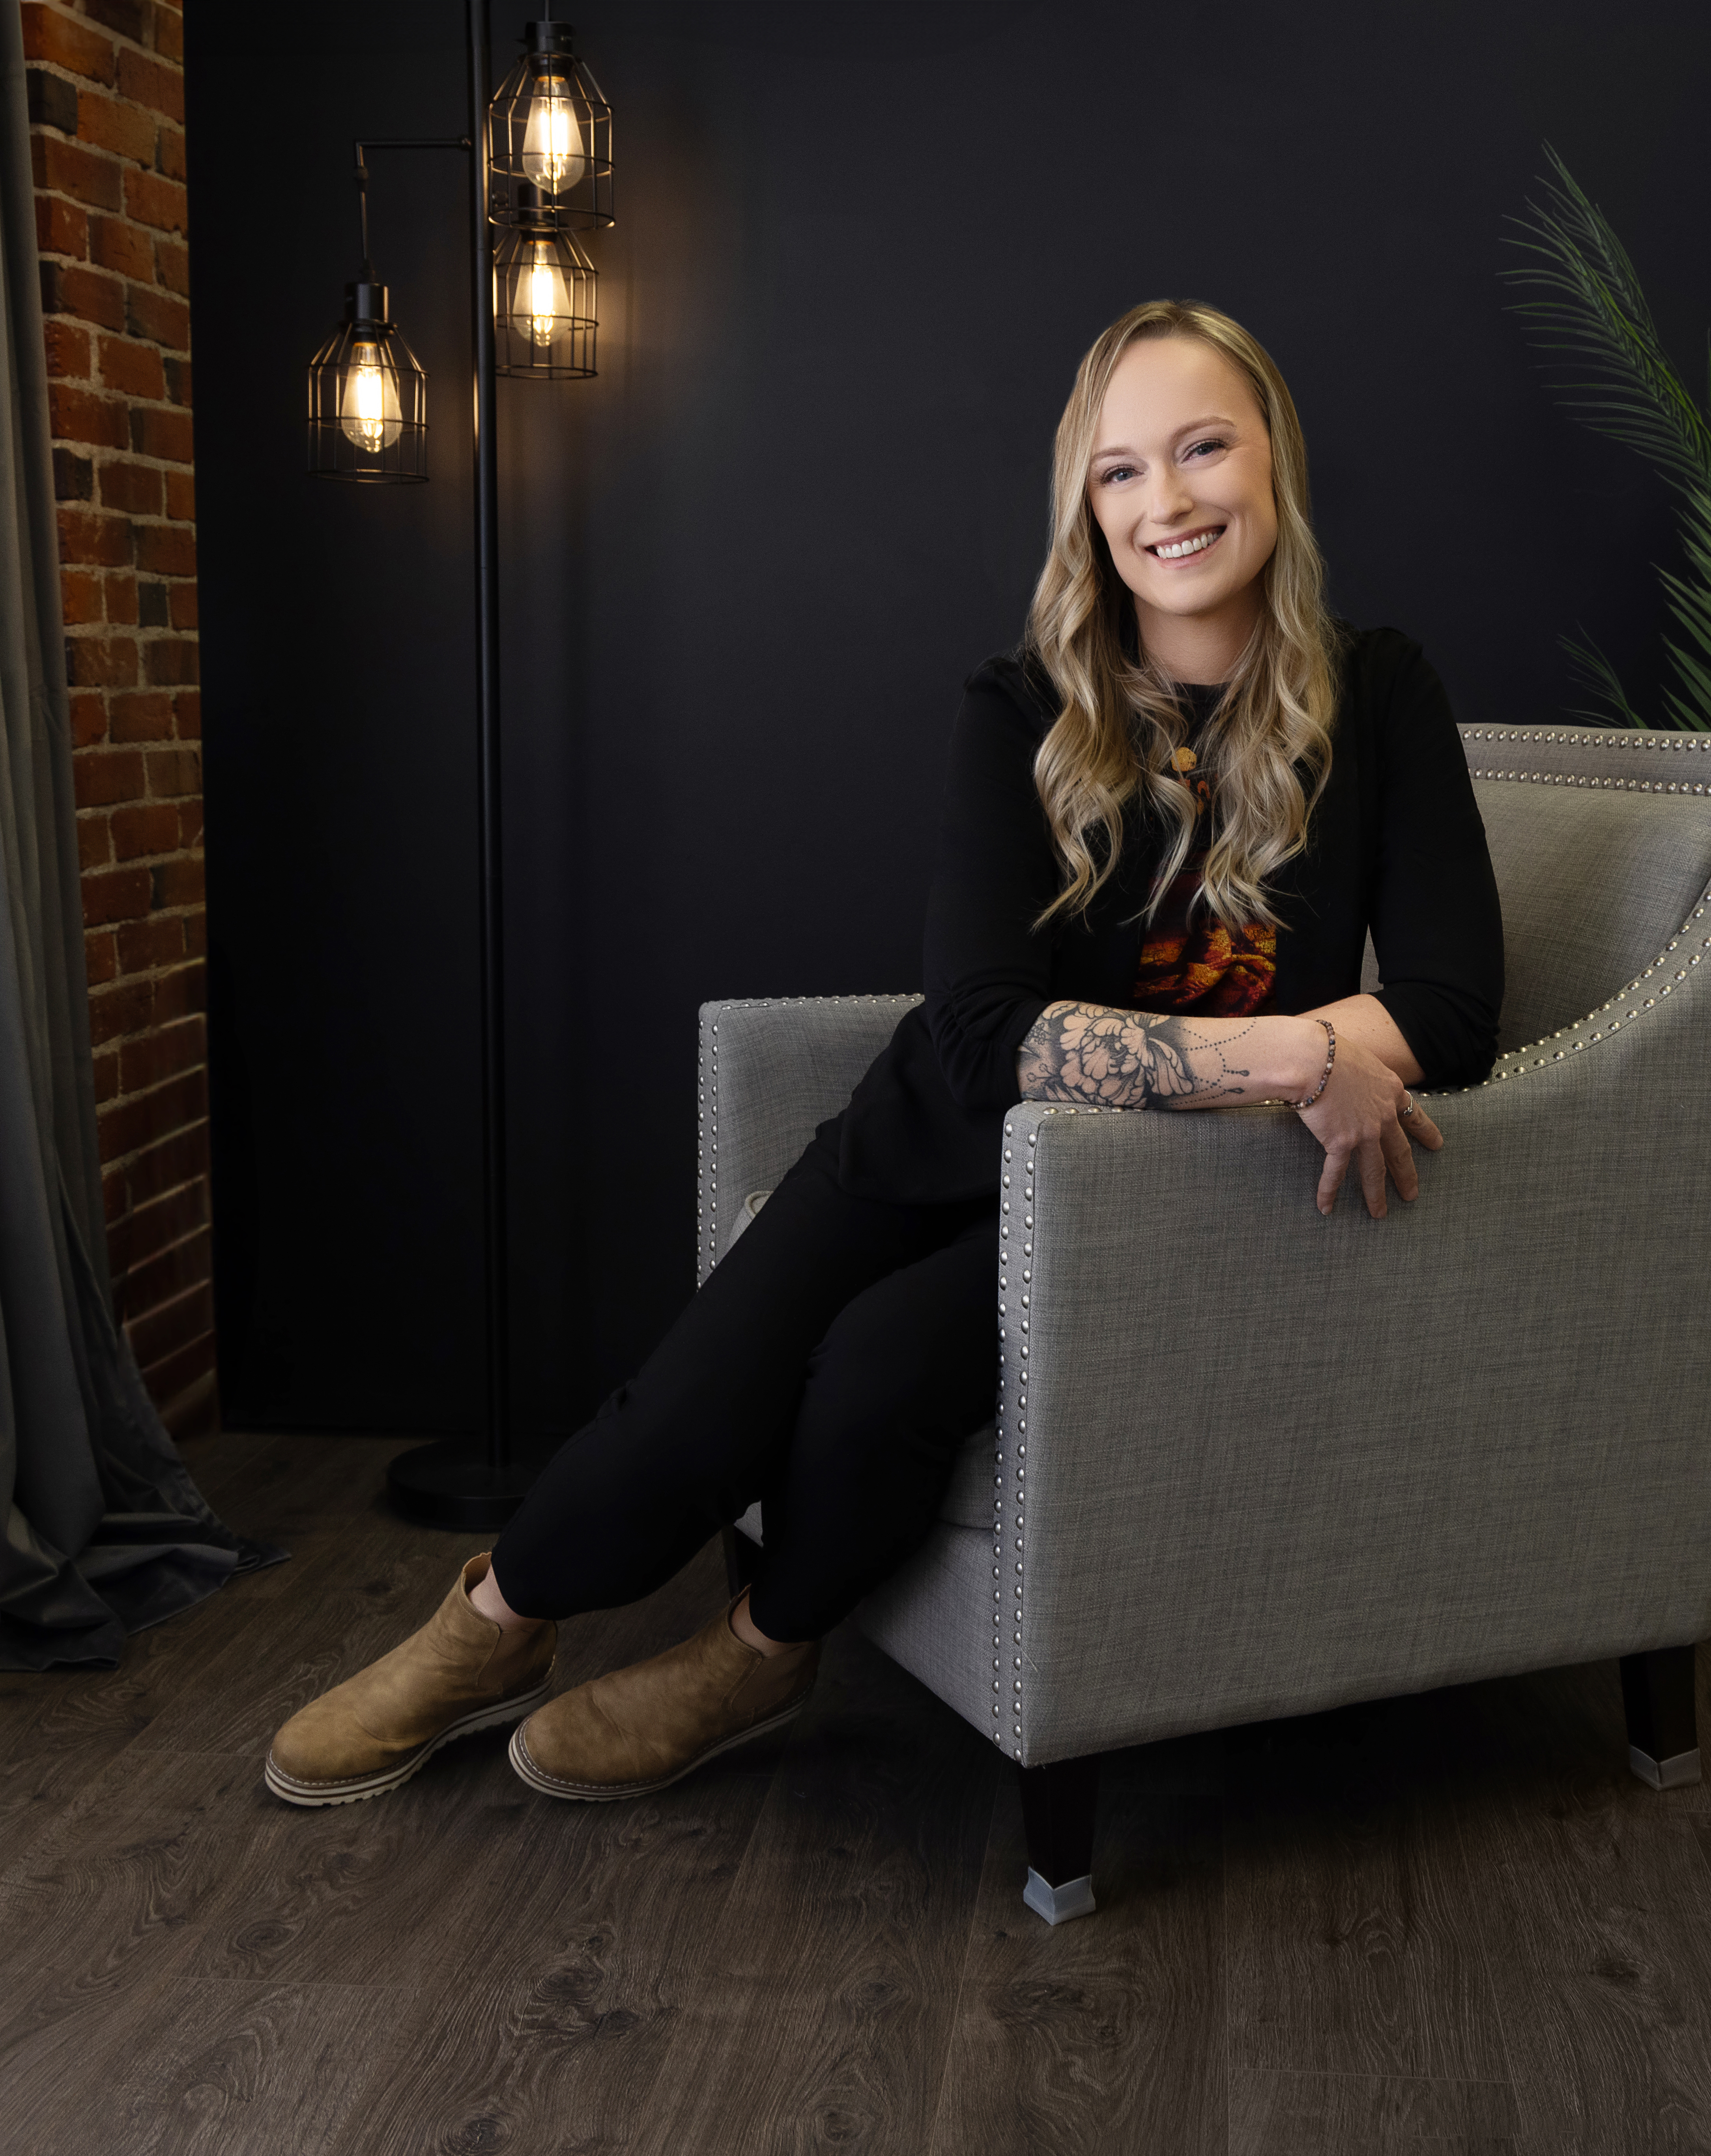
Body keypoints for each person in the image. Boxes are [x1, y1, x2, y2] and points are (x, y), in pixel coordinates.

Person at [263, 298, 1503, 1808]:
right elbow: (983, 1033)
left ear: (1275, 462)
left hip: (1138, 1202)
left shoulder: (1379, 695)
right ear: (1084, 506)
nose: (1166, 502)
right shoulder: (1021, 708)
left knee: (873, 1379)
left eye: (1201, 449)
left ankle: (757, 1655)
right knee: (692, 1408)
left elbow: (1450, 1008)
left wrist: (1242, 1058)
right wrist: (1299, 1060)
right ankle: (493, 1628)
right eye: (1119, 472)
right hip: (926, 1140)